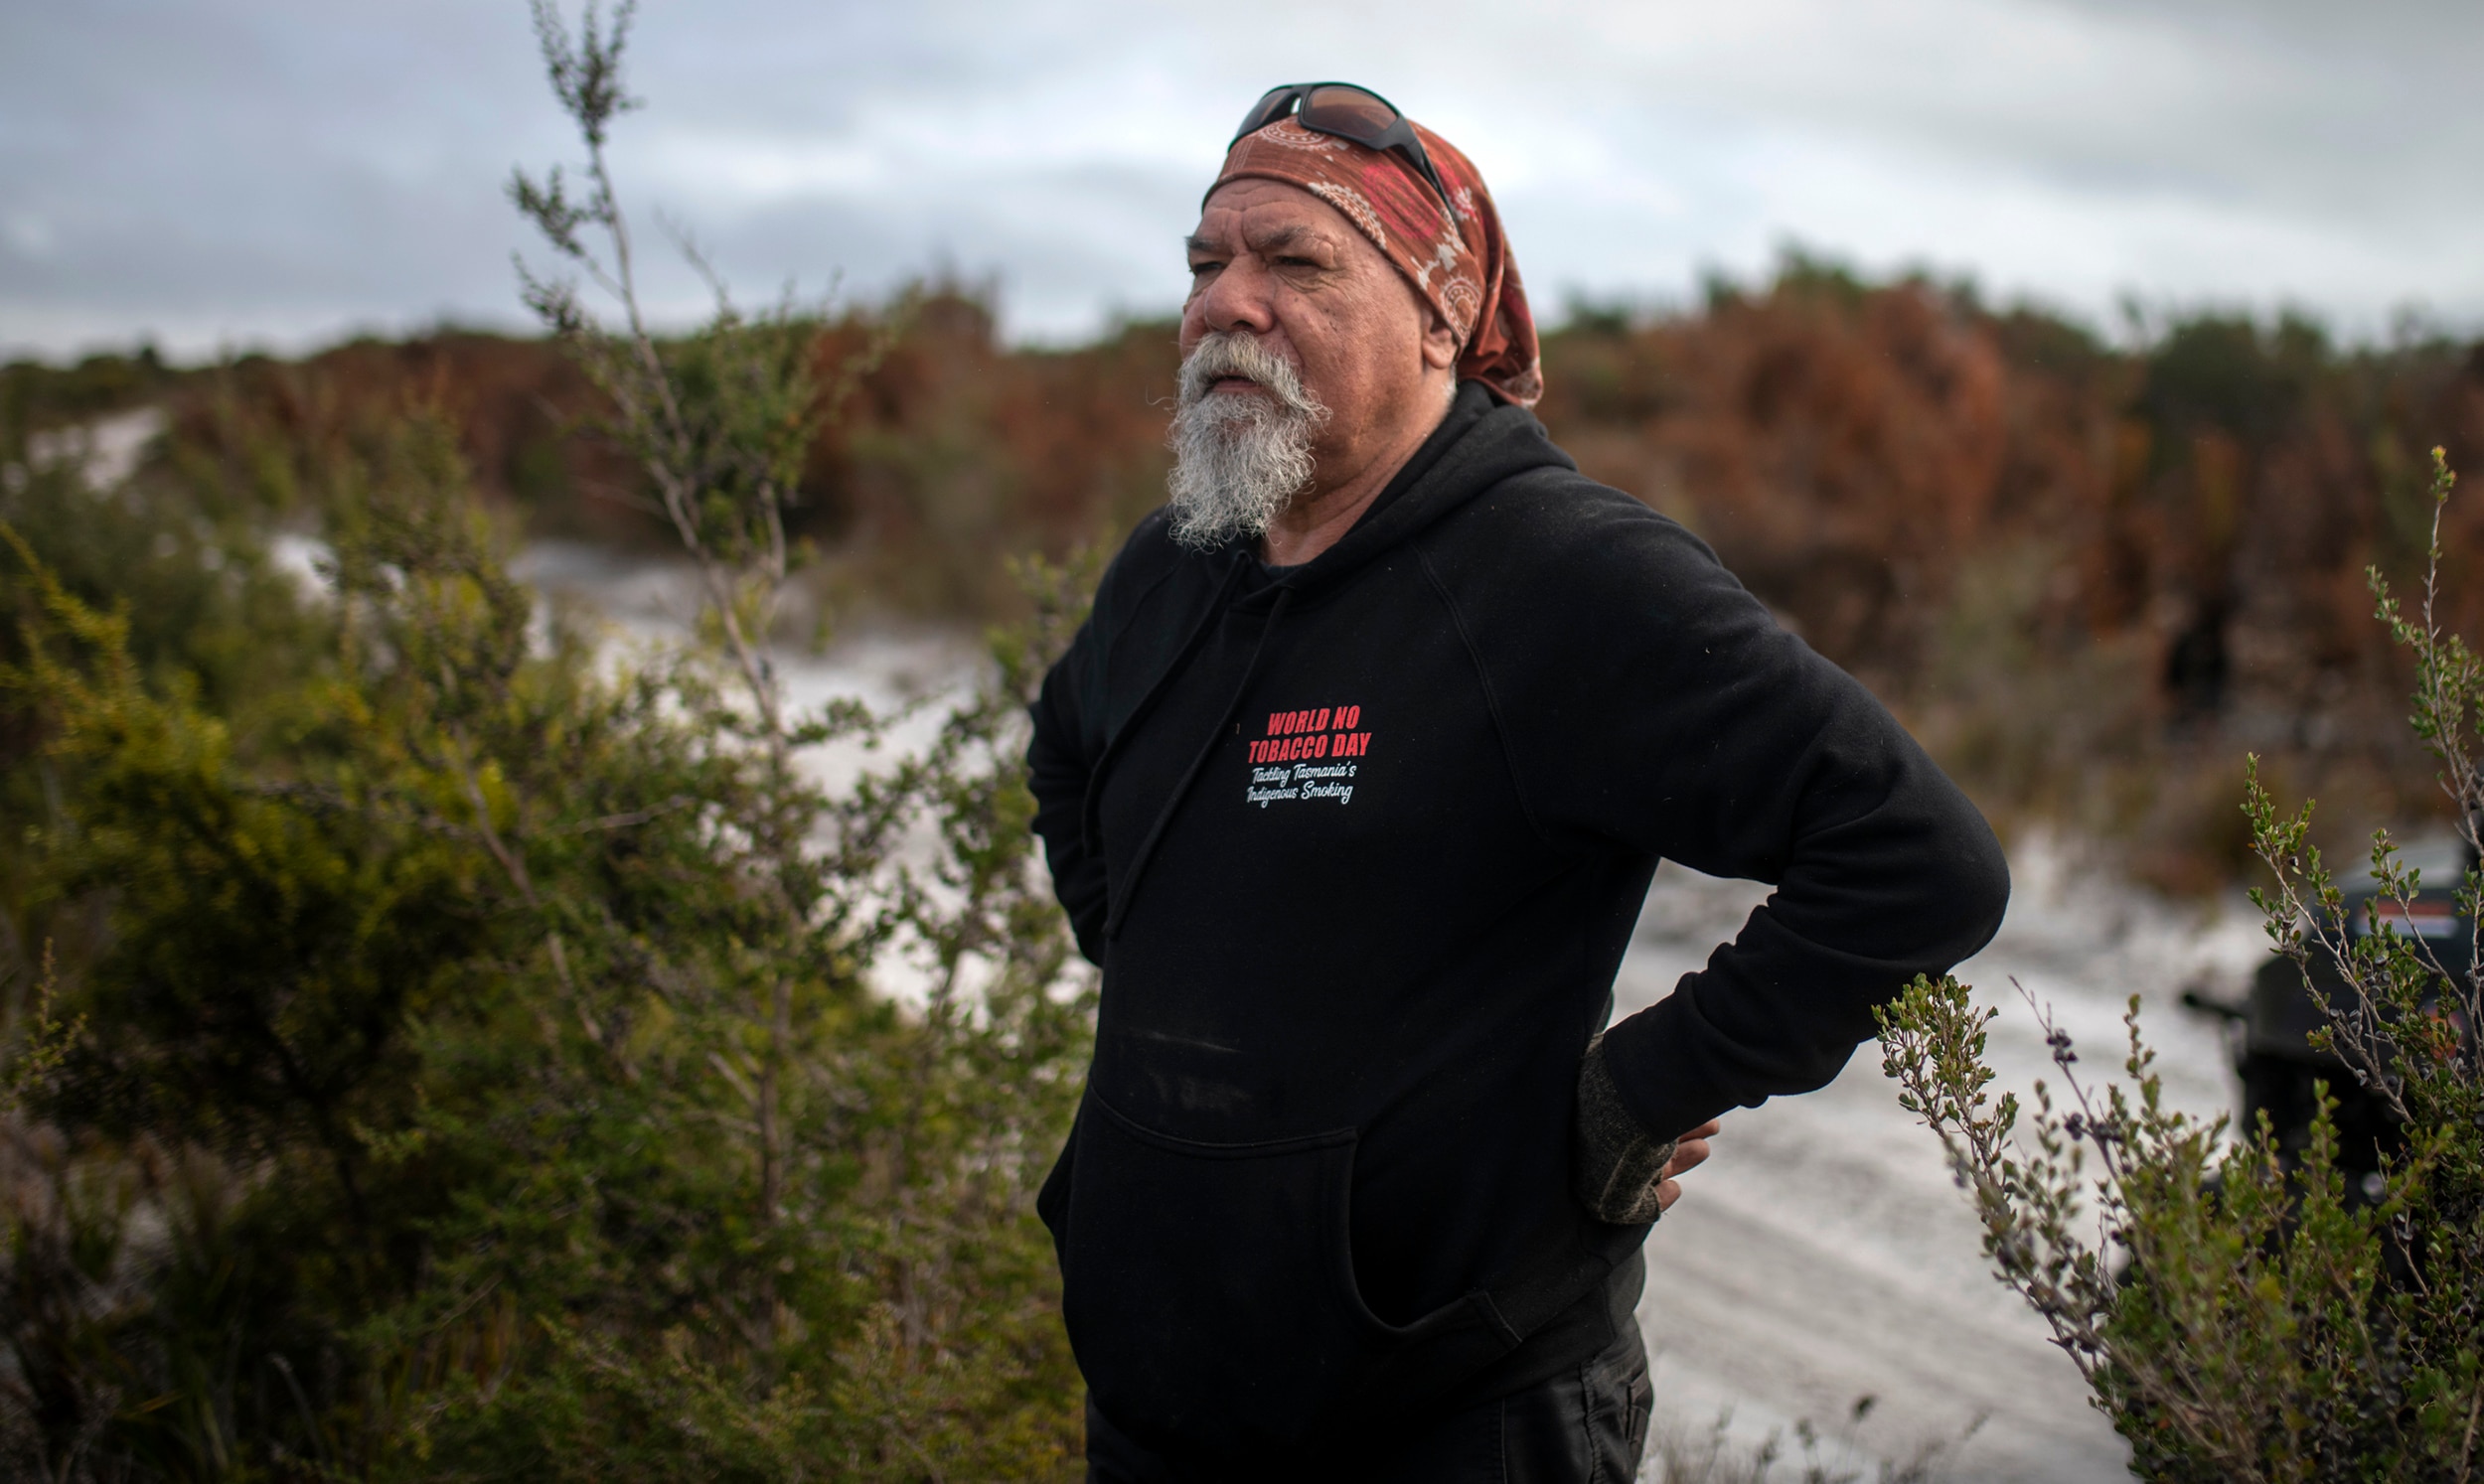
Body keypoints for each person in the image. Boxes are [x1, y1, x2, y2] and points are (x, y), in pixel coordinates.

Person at [1026, 81, 2010, 1483]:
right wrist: (1152, 969)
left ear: (1440, 313)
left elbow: (1919, 860)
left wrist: (1646, 1085)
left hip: (1450, 1412)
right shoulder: (1180, 558)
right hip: (1154, 1406)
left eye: (1294, 262)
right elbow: (1066, 742)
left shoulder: (1559, 579)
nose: (1225, 304)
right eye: (1205, 263)